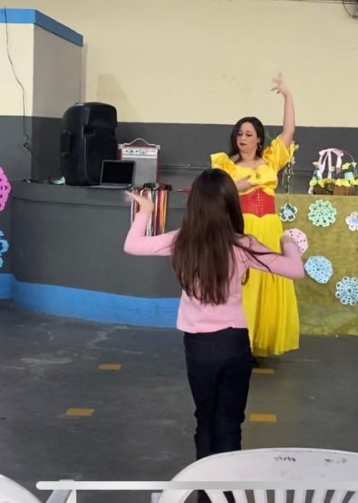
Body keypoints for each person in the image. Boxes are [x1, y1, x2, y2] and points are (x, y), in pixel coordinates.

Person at [123, 169, 304, 479]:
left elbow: (132, 245)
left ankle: (206, 493)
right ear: (231, 204)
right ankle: (228, 494)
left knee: (205, 420)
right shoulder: (243, 245)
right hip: (234, 344)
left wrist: (146, 211)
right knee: (230, 423)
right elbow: (295, 270)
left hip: (198, 346)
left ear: (194, 204)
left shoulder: (181, 240)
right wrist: (288, 241)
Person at [210, 73, 298, 357]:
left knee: (269, 280)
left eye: (248, 134)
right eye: (240, 134)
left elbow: (288, 132)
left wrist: (287, 95)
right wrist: (236, 187)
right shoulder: (227, 165)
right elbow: (214, 194)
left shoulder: (270, 160)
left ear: (259, 139)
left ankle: (260, 340)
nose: (243, 138)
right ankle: (239, 342)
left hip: (270, 228)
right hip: (242, 228)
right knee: (244, 283)